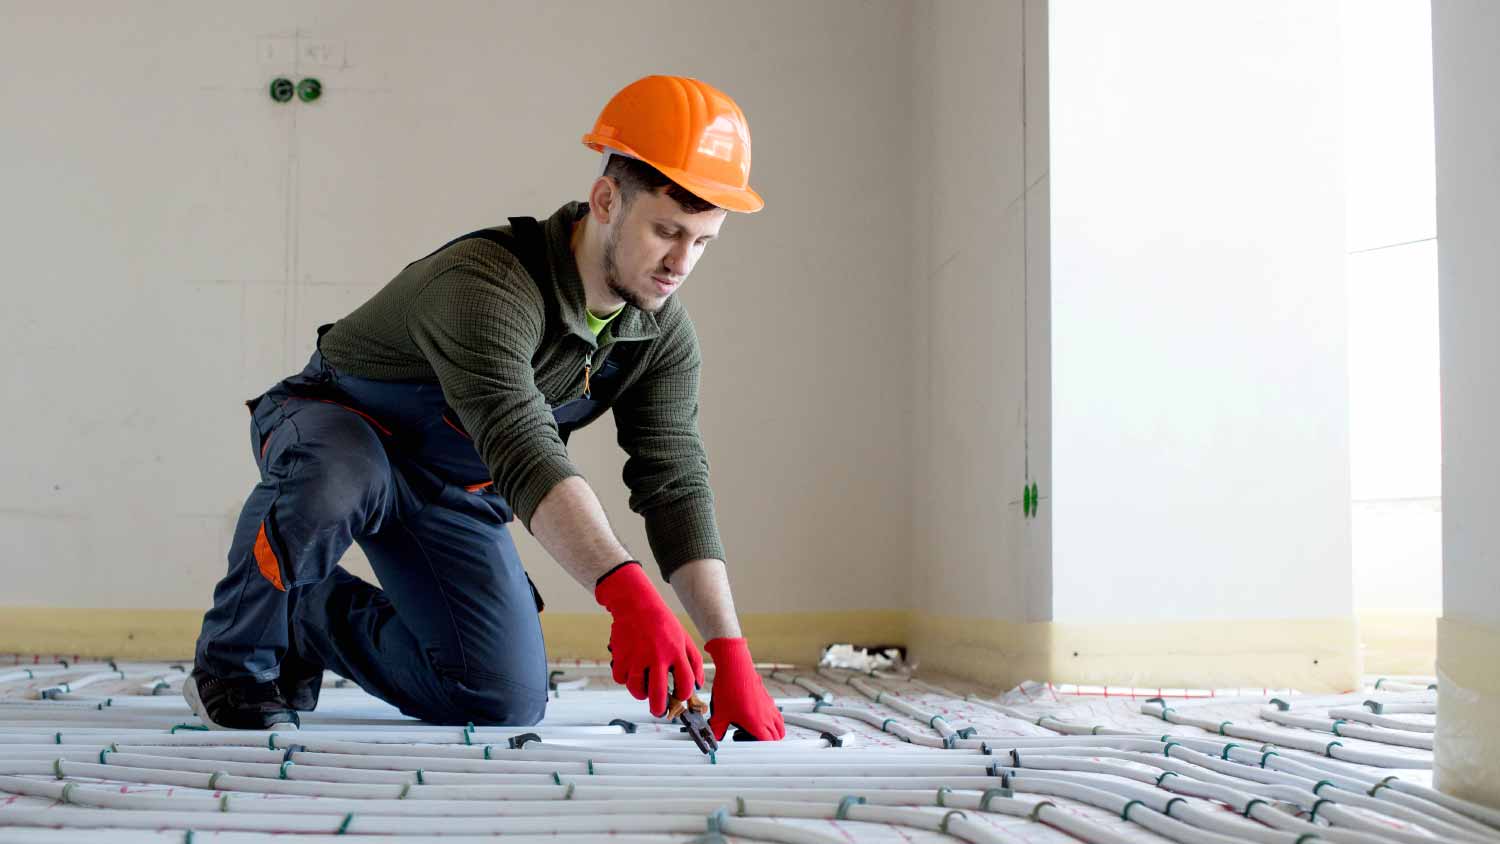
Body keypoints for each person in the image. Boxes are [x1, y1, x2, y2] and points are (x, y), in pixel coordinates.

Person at [185, 74, 786, 742]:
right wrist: (625, 592)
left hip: (449, 487)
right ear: (607, 199)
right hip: (340, 429)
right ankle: (232, 661)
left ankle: (305, 616)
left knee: (501, 694)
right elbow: (523, 444)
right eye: (666, 231)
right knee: (334, 480)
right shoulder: (487, 284)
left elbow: (674, 483)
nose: (680, 263)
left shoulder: (660, 335)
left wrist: (729, 650)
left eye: (702, 242)